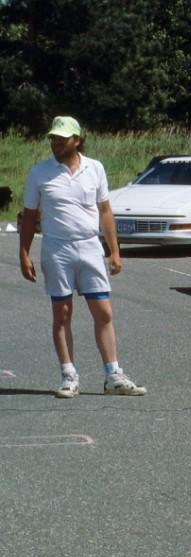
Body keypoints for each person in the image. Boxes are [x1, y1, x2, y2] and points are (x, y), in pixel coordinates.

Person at [19, 116, 146, 398]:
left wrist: (114, 250)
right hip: (57, 249)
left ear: (77, 140)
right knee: (62, 314)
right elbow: (29, 217)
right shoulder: (40, 173)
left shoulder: (95, 169)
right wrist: (24, 253)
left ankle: (113, 374)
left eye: (61, 139)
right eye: (53, 138)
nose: (55, 143)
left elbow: (104, 211)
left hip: (89, 247)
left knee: (103, 312)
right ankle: (69, 375)